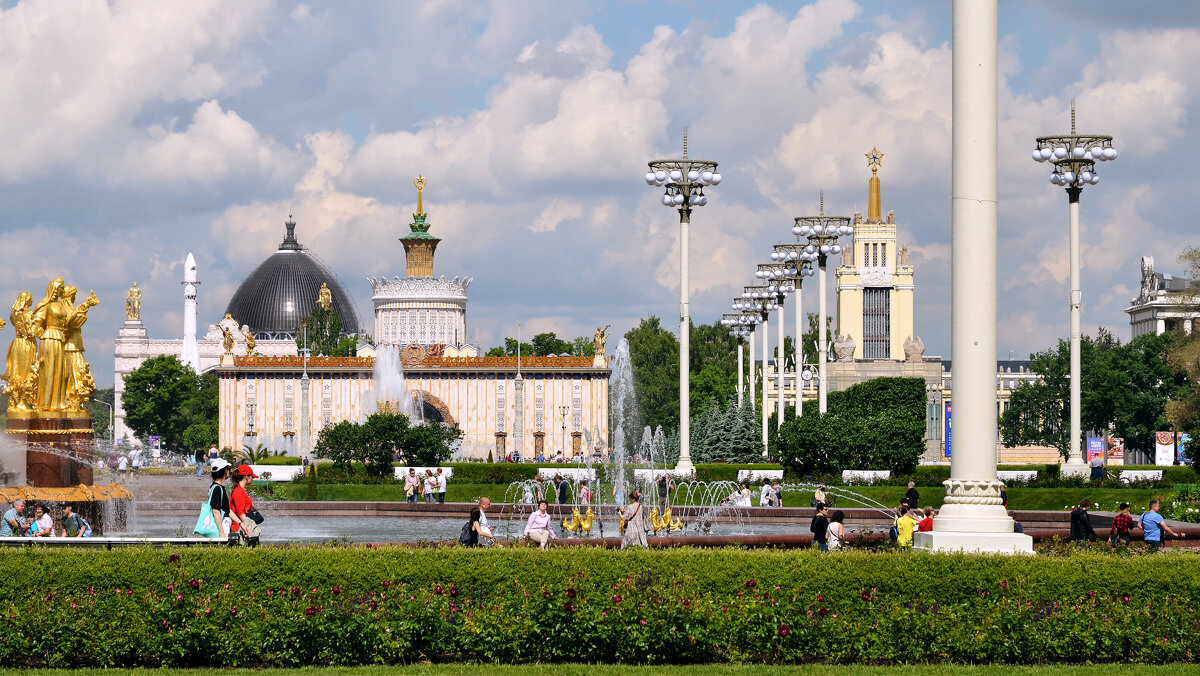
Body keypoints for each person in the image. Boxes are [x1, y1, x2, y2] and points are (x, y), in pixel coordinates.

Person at [197, 458, 232, 539]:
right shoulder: (217, 489)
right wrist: (222, 533)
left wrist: (241, 523)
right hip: (222, 525)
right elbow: (216, 511)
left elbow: (227, 509)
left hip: (224, 523)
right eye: (229, 469)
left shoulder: (217, 487)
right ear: (225, 471)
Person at [229, 464, 261, 547]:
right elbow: (241, 513)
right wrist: (248, 529)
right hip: (239, 529)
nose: (252, 479)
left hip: (241, 527)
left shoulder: (239, 490)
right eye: (252, 477)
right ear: (247, 477)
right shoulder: (239, 491)